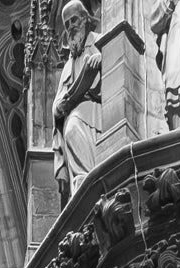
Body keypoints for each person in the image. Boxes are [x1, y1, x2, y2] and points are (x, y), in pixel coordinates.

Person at [52, 1, 102, 204]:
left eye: (74, 20)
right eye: (67, 24)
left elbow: (120, 61)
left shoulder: (100, 42)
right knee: (71, 127)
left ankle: (93, 180)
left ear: (85, 19)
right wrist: (62, 104)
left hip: (97, 111)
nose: (71, 26)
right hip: (76, 113)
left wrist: (101, 59)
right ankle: (84, 180)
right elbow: (55, 107)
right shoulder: (67, 66)